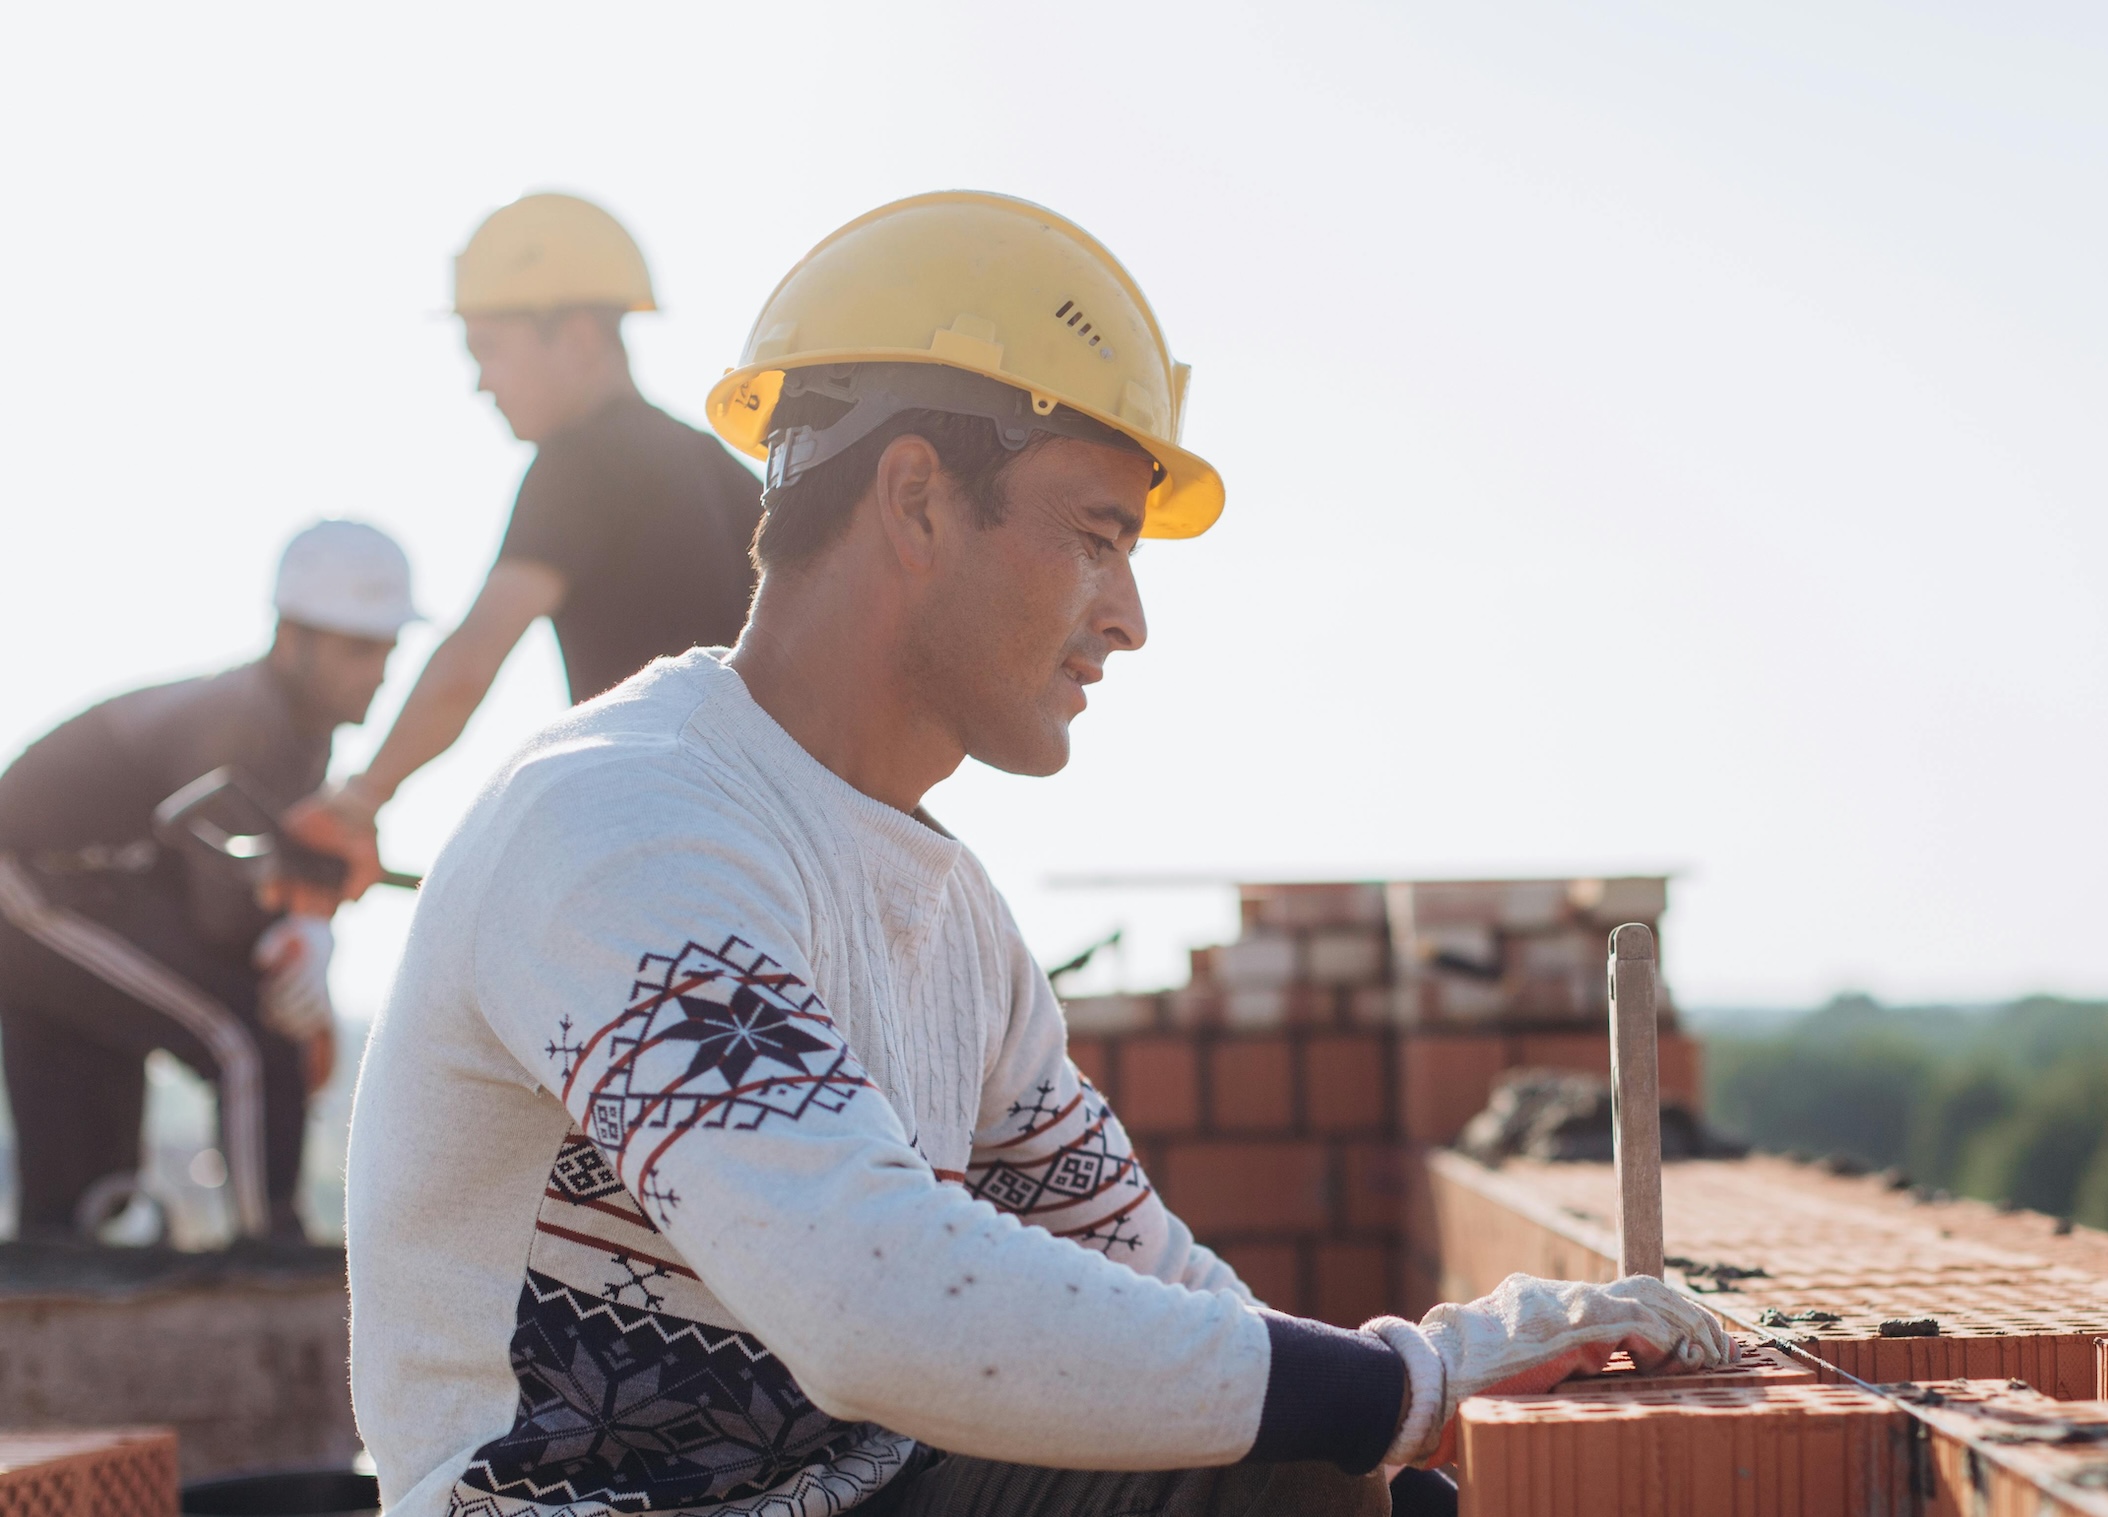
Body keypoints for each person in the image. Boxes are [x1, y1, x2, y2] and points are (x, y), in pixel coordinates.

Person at [345, 193, 1730, 1517]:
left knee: (1306, 1474)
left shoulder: (956, 927)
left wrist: (1449, 1416)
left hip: (871, 1491)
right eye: (1095, 537)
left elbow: (1163, 1303)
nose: (1128, 618)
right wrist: (1401, 1382)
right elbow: (872, 1300)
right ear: (918, 499)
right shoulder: (625, 823)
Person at [284, 193, 763, 896]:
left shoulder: (579, 461)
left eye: (490, 350)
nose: (482, 382)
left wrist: (359, 799)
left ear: (575, 336)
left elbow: (468, 666)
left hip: (683, 850)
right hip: (789, 841)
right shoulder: (720, 470)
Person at [0, 521, 418, 1242]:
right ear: (293, 640)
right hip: (33, 891)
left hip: (104, 896)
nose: (378, 671)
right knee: (247, 1040)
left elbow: (246, 891)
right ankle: (274, 1260)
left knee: (79, 1204)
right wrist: (304, 943)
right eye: (358, 649)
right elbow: (226, 910)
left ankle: (73, 1275)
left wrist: (306, 931)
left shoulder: (303, 735)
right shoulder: (240, 721)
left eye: (386, 649)